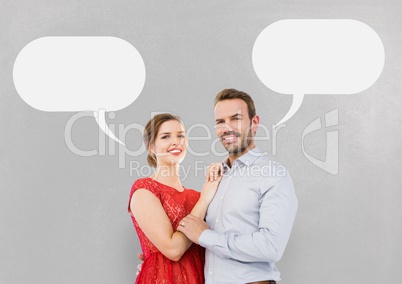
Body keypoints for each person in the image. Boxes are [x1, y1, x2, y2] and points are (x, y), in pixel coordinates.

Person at [177, 89, 298, 284]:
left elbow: (271, 246)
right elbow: (203, 241)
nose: (227, 128)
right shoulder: (216, 178)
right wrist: (159, 257)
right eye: (220, 122)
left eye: (236, 119)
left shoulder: (273, 174)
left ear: (254, 123)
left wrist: (205, 236)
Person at [128, 113, 221, 284]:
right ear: (151, 147)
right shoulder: (144, 190)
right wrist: (205, 199)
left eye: (180, 136)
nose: (176, 141)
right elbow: (173, 250)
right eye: (165, 136)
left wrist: (219, 173)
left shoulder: (197, 196)